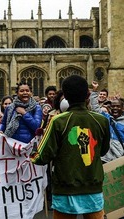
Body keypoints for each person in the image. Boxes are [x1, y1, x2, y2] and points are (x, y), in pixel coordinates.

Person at [31, 75, 110, 219]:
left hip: (65, 187)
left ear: (65, 96)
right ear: (88, 94)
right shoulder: (101, 121)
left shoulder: (58, 121)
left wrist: (31, 153)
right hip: (93, 185)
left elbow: (42, 156)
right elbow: (103, 150)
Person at [90, 81, 124, 163]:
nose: (115, 108)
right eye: (113, 106)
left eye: (117, 106)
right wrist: (94, 91)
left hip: (119, 158)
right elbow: (95, 108)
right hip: (105, 158)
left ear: (122, 108)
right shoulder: (106, 118)